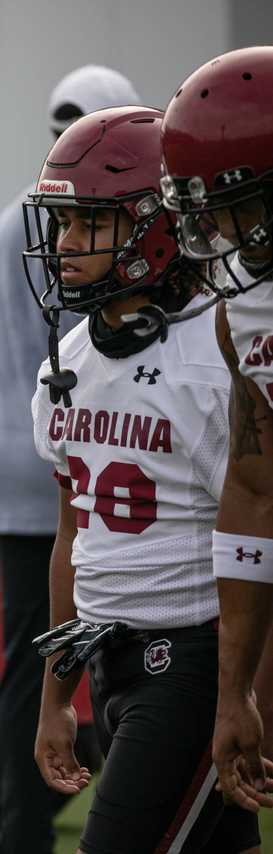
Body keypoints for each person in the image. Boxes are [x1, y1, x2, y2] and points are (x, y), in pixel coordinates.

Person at [28, 106, 260, 854]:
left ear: (153, 225)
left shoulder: (218, 352)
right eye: (60, 222)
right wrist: (55, 696)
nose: (63, 245)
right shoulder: (67, 361)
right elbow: (75, 535)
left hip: (193, 658)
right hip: (108, 658)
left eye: (85, 223)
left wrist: (242, 692)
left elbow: (259, 526)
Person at [0, 64, 139, 854]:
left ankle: (24, 831)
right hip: (82, 454)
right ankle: (120, 802)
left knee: (28, 659)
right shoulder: (97, 223)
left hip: (10, 442)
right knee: (103, 648)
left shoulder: (17, 219)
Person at [158, 46, 273, 814]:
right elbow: (254, 487)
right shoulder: (246, 310)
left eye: (229, 202)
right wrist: (236, 690)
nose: (218, 230)